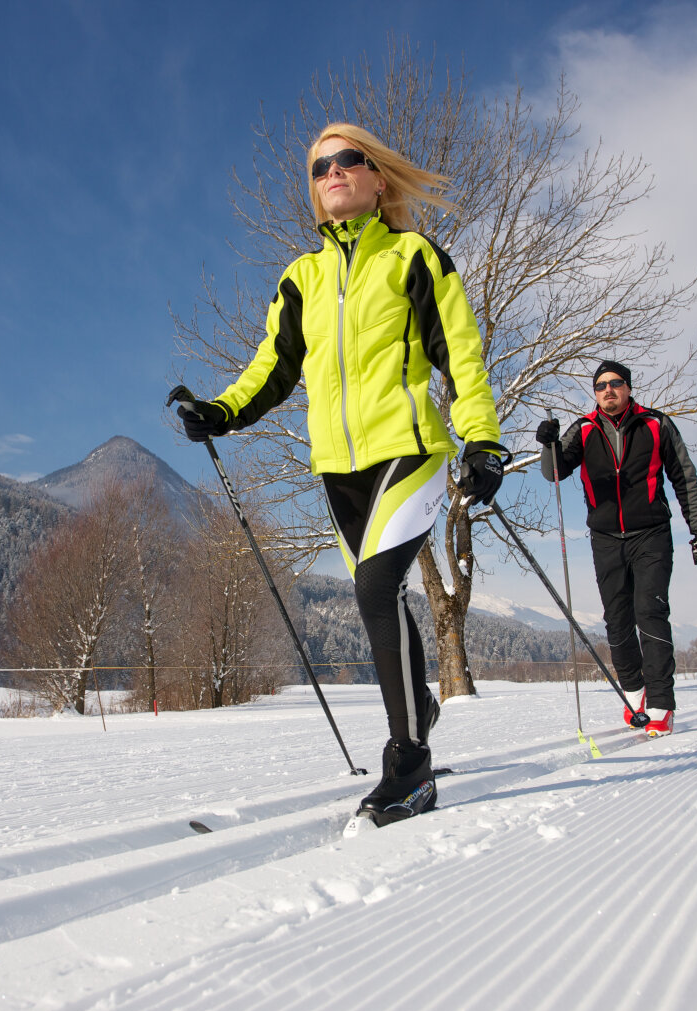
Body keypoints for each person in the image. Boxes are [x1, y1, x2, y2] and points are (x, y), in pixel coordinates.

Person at [176, 123, 505, 825]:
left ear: (377, 177)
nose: (331, 172)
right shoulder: (301, 279)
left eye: (345, 160)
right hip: (338, 468)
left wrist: (482, 440)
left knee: (375, 583)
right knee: (378, 594)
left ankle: (409, 766)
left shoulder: (416, 258)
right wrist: (221, 410)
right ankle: (420, 712)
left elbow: (463, 357)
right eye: (319, 166)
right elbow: (271, 366)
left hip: (409, 448)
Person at [534, 360, 697, 736]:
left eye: (616, 383)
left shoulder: (656, 424)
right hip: (605, 538)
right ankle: (634, 693)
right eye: (601, 386)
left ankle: (662, 703)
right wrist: (548, 443)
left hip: (651, 533)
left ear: (629, 388)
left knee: (650, 613)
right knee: (617, 620)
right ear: (595, 393)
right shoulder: (583, 430)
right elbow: (553, 472)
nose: (608, 390)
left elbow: (685, 478)